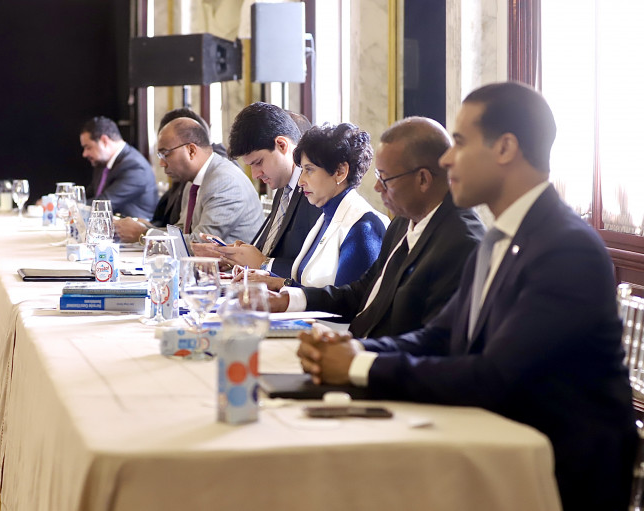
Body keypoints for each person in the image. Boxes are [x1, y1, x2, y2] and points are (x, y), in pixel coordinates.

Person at [296, 82, 636, 510]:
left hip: (557, 472)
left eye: (459, 142)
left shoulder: (565, 246)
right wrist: (352, 350)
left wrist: (359, 365)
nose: (446, 159)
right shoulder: (503, 235)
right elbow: (440, 336)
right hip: (495, 442)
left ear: (505, 148)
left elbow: (497, 376)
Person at [271, 117, 485, 339]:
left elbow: (432, 341)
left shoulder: (462, 243)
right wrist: (289, 299)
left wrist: (357, 351)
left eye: (385, 178)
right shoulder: (403, 221)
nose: (376, 187)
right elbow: (362, 291)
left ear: (423, 179)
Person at [244, 123, 389, 291]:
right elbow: (309, 284)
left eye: (309, 170)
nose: (300, 181)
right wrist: (269, 279)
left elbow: (345, 301)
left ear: (340, 172)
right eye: (302, 170)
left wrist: (281, 285)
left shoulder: (363, 228)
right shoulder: (326, 215)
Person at [199, 103, 320, 278]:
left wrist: (263, 264)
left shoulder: (315, 192)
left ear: (282, 145)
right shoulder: (283, 188)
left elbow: (316, 271)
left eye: (258, 163)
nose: (255, 175)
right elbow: (269, 252)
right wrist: (237, 256)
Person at [116, 117, 263, 244]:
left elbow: (200, 243)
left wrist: (143, 235)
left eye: (165, 154)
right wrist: (147, 228)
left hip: (232, 268)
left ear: (191, 150)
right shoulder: (193, 182)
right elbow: (182, 232)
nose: (161, 163)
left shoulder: (225, 182)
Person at [79, 116, 157, 218]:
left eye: (88, 147)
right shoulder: (102, 163)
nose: (84, 154)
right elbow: (90, 195)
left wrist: (71, 208)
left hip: (133, 227)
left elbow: (103, 204)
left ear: (104, 141)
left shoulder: (135, 167)